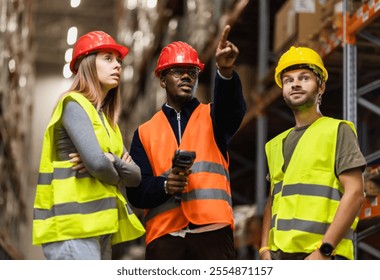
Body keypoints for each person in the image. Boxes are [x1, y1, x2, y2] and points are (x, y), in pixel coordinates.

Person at [126, 25, 246, 259]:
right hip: (164, 240)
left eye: (191, 72)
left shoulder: (214, 117)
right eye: (177, 71)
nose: (186, 76)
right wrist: (164, 186)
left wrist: (225, 70)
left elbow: (233, 110)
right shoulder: (144, 132)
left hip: (213, 234)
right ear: (162, 79)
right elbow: (136, 192)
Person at [32, 31, 145, 260]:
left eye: (119, 61)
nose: (118, 66)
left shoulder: (108, 122)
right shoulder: (73, 104)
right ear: (88, 64)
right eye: (108, 58)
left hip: (100, 228)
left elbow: (136, 177)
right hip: (73, 229)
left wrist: (110, 160)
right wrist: (109, 166)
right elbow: (96, 164)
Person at [259, 46, 366, 260]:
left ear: (321, 87)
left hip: (324, 257)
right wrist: (264, 249)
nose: (295, 84)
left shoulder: (337, 130)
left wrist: (325, 250)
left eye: (304, 78)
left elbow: (355, 193)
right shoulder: (274, 145)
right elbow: (273, 201)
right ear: (283, 90)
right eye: (288, 80)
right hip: (281, 257)